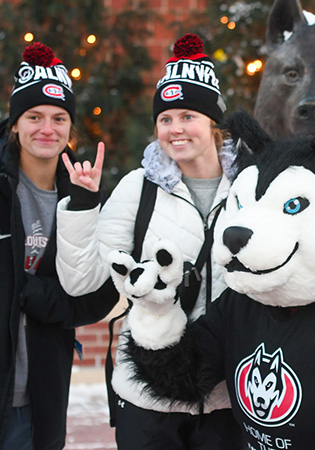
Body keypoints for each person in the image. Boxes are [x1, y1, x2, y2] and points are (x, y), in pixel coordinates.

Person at [55, 34, 242, 449]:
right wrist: (83, 204)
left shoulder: (254, 187)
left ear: (213, 123)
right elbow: (82, 279)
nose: (175, 129)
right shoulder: (137, 188)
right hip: (148, 394)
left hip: (232, 396)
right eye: (165, 119)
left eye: (188, 116)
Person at [0, 42, 119, 450]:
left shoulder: (82, 195)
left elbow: (100, 293)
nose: (46, 128)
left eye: (59, 117)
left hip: (39, 395)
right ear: (15, 123)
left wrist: (37, 296)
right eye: (33, 116)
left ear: (70, 127)